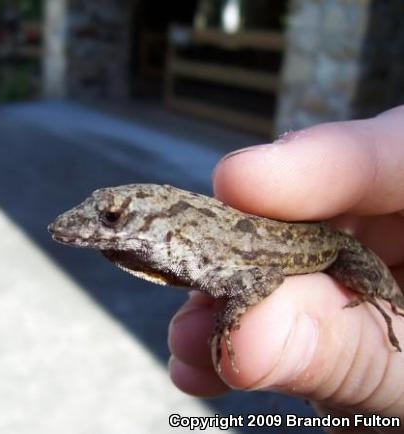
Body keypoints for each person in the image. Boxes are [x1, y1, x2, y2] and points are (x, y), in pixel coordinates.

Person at [167, 105, 404, 431]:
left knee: (360, 283)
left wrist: (229, 314)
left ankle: (382, 305)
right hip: (308, 246)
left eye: (111, 218)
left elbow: (268, 277)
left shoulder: (207, 247)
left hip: (337, 252)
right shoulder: (202, 245)